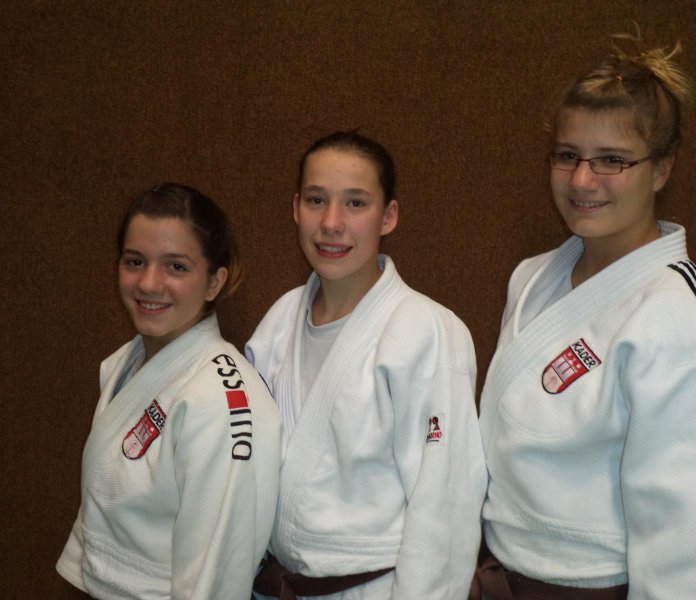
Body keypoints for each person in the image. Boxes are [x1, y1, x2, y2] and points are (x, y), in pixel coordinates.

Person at [477, 32, 696, 599]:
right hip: (501, 574)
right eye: (567, 155)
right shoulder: (533, 279)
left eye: (611, 160)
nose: (582, 180)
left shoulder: (691, 324)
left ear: (661, 168)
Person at [246, 131, 487, 599]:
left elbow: (444, 503)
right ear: (295, 208)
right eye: (317, 200)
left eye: (355, 203)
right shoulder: (280, 320)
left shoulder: (427, 331)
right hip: (278, 583)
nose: (331, 223)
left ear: (388, 216)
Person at [56, 183, 282, 599]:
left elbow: (215, 577)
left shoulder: (220, 404)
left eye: (176, 267)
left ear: (214, 282)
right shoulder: (125, 364)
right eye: (135, 261)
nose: (148, 283)